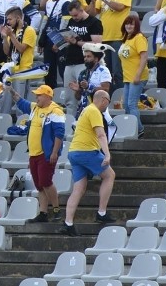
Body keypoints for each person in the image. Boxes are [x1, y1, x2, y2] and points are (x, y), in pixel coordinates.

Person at [59, 89, 116, 236]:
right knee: (109, 175)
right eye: (107, 102)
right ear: (104, 100)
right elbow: (101, 134)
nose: (107, 106)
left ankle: (68, 223)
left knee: (79, 188)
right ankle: (101, 212)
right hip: (86, 151)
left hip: (74, 152)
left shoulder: (86, 110)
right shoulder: (94, 111)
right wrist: (107, 154)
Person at [12, 83, 65, 222]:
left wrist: (54, 152)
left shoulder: (55, 111)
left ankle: (56, 209)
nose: (37, 97)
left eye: (39, 95)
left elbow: (59, 134)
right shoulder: (35, 107)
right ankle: (43, 213)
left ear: (48, 96)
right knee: (39, 185)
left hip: (46, 153)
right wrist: (10, 89)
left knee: (46, 182)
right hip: (33, 153)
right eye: (36, 95)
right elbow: (19, 101)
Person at [117, 14, 149, 137]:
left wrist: (138, 75)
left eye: (131, 24)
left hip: (137, 77)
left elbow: (144, 57)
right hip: (127, 77)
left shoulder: (139, 37)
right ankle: (133, 128)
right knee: (125, 104)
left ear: (136, 25)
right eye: (126, 23)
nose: (128, 26)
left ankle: (139, 129)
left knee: (131, 104)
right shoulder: (127, 38)